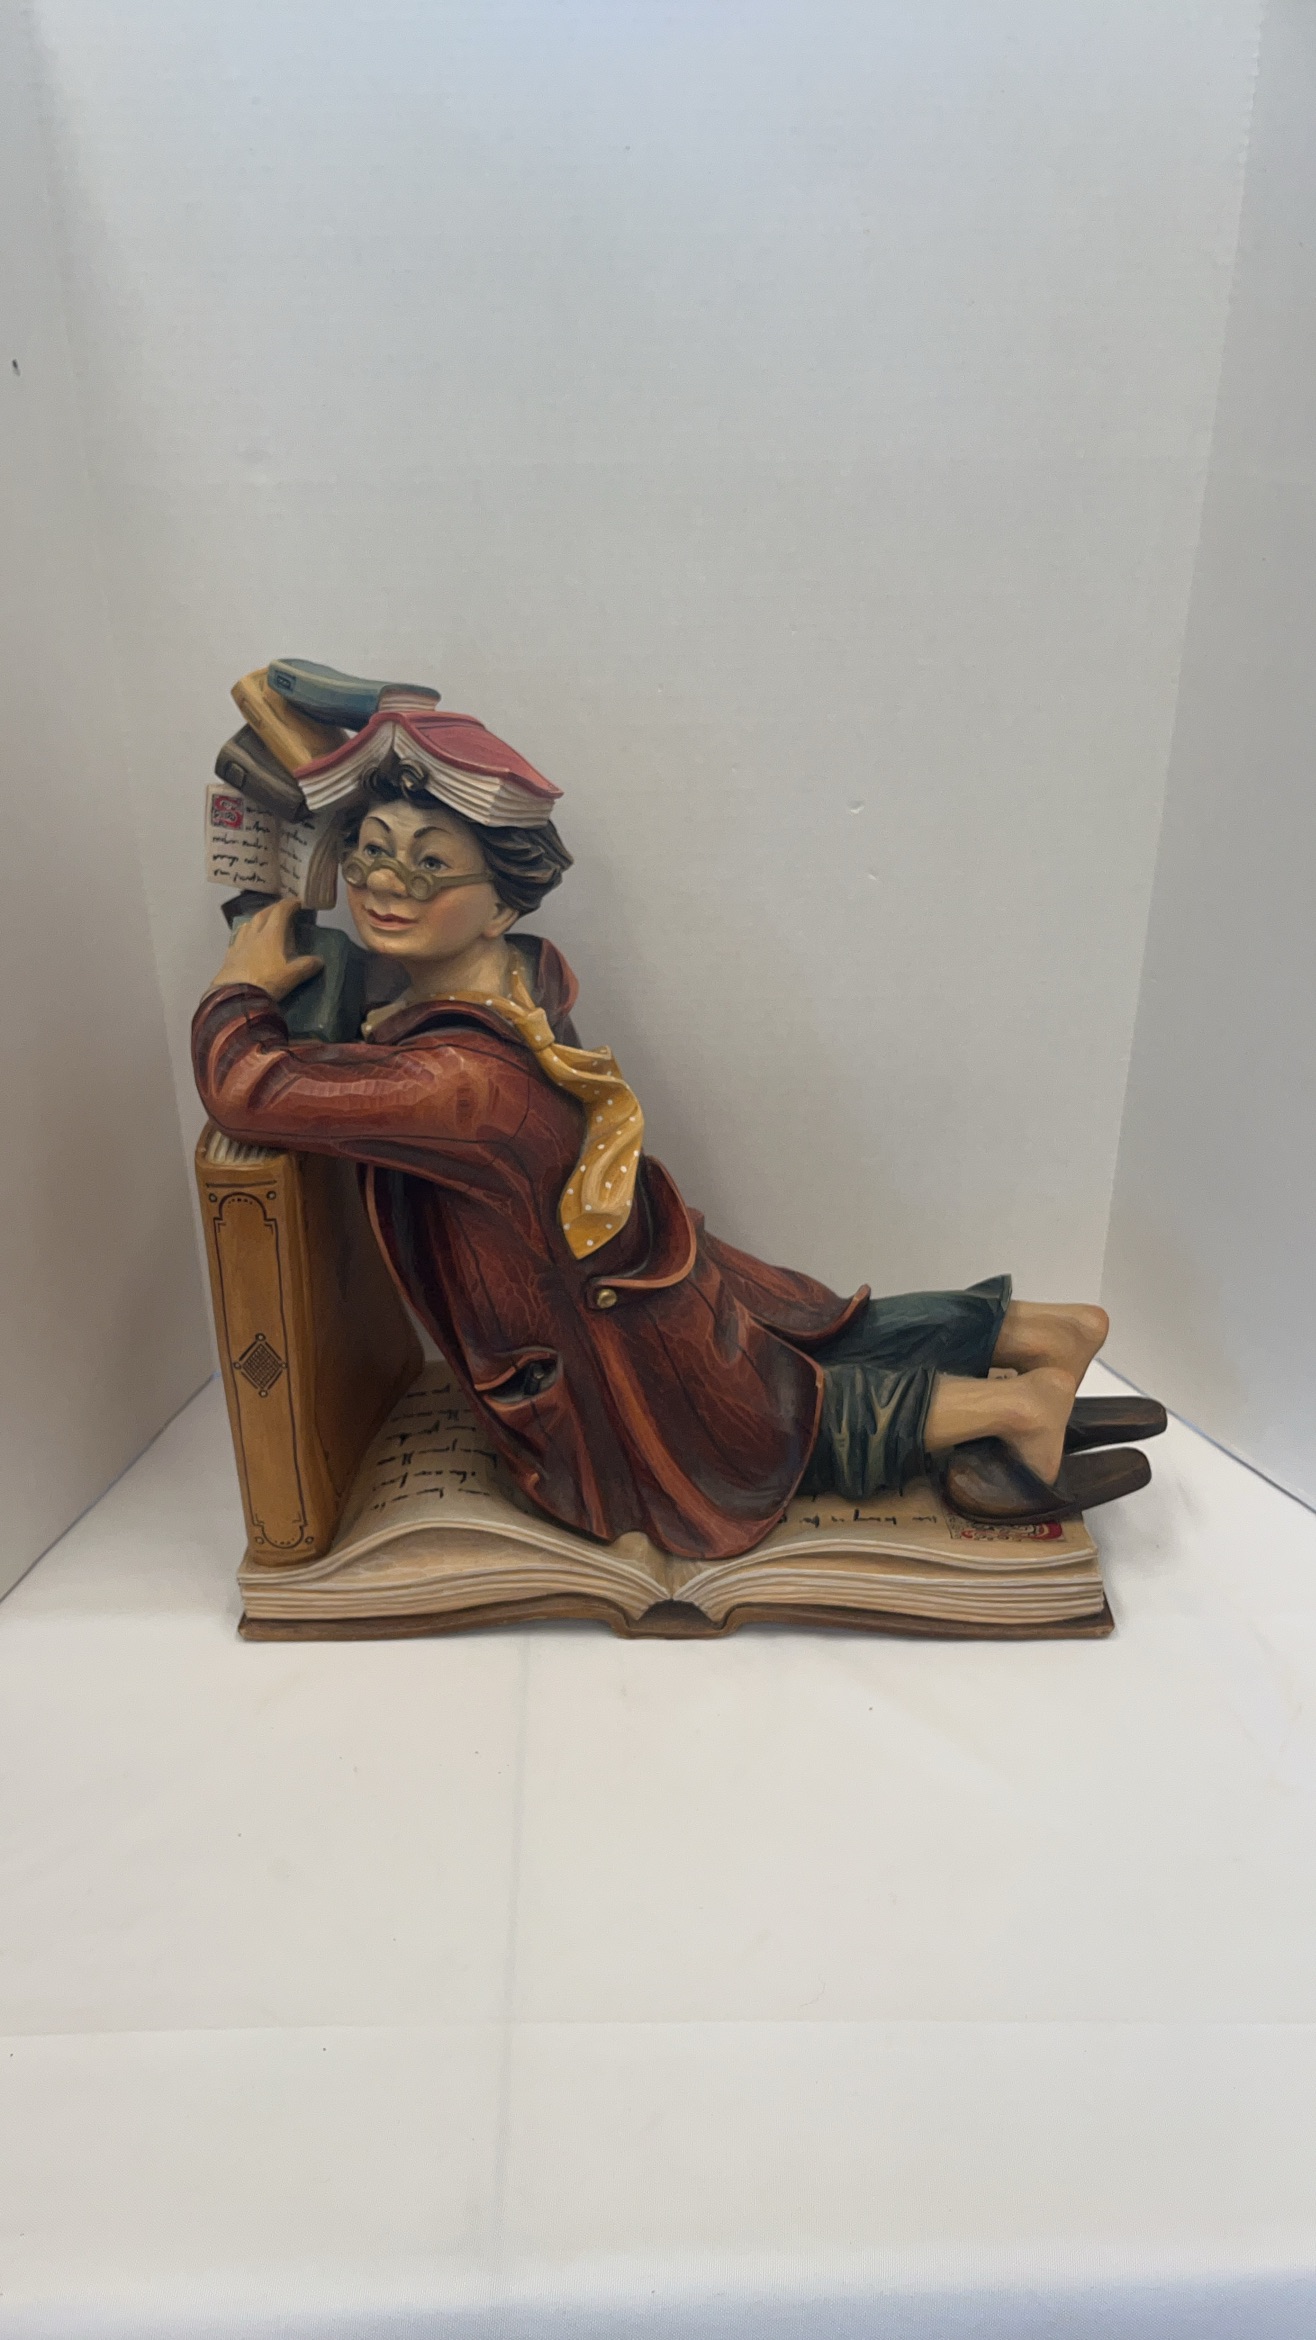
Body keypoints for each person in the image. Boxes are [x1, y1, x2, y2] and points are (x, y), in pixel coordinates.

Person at [193, 736, 1159, 1565]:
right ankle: (1047, 1334)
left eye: (430, 864)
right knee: (820, 1335)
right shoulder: (517, 978)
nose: (383, 884)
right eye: (368, 851)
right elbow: (392, 1010)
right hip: (647, 1265)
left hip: (613, 1336)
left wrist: (241, 988)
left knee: (781, 1433)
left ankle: (1017, 1413)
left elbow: (250, 1089)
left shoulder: (456, 1084)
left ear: (500, 906)